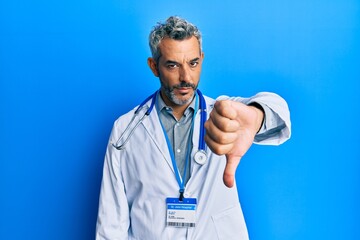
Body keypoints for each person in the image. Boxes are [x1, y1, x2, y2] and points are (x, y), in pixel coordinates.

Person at [96, 16, 291, 240]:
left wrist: (257, 115)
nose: (185, 77)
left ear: (202, 59)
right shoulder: (125, 130)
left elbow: (279, 110)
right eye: (172, 65)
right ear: (154, 66)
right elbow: (111, 221)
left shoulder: (223, 114)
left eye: (193, 63)